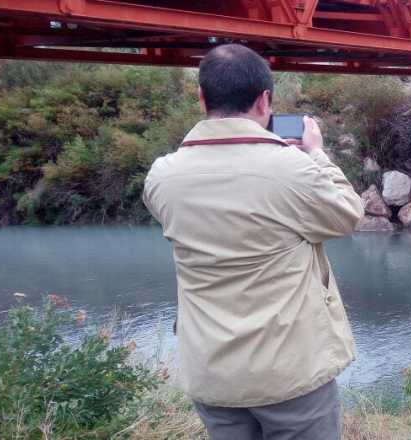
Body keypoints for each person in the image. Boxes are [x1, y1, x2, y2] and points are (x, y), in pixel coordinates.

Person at [142, 44, 363, 439]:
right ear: (265, 101)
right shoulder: (290, 168)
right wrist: (316, 154)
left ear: (202, 98)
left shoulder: (162, 176)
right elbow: (346, 214)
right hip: (289, 373)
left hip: (212, 372)